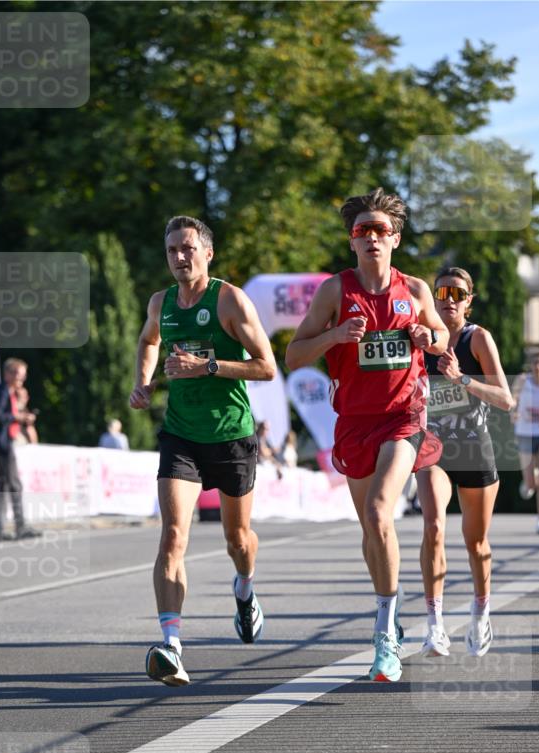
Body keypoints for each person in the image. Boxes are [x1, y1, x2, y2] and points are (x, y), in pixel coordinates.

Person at [286, 187, 449, 683]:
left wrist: (429, 337)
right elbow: (292, 356)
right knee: (371, 529)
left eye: (381, 230)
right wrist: (334, 337)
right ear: (352, 241)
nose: (372, 237)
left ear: (395, 239)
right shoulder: (335, 291)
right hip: (353, 422)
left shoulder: (416, 291)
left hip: (403, 416)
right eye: (363, 231)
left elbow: (442, 337)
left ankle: (384, 634)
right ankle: (391, 605)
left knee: (381, 509)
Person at [129, 215, 276, 687]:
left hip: (231, 434)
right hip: (181, 436)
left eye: (187, 248)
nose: (179, 257)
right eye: (172, 250)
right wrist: (144, 382)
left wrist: (206, 365)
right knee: (173, 535)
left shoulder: (229, 300)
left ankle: (245, 588)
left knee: (238, 542)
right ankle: (171, 646)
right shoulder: (162, 302)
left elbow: (267, 367)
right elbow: (149, 340)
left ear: (207, 252)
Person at [417, 267, 514, 658]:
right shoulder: (421, 337)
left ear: (468, 301)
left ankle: (480, 610)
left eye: (458, 293)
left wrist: (462, 380)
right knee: (434, 525)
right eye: (442, 291)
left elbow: (506, 399)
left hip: (475, 449)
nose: (449, 299)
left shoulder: (478, 338)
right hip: (435, 449)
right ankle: (435, 625)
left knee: (475, 543)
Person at [0, 358, 41, 542]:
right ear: (8, 374)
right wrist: (16, 417)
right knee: (14, 484)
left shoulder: (6, 392)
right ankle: (20, 526)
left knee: (4, 485)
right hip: (2, 443)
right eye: (19, 374)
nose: (22, 379)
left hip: (1, 441)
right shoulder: (3, 392)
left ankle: (0, 529)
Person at [512, 351, 539, 534]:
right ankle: (530, 481)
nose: (537, 366)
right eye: (535, 363)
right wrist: (513, 412)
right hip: (524, 432)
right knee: (531, 483)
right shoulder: (523, 380)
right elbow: (512, 400)